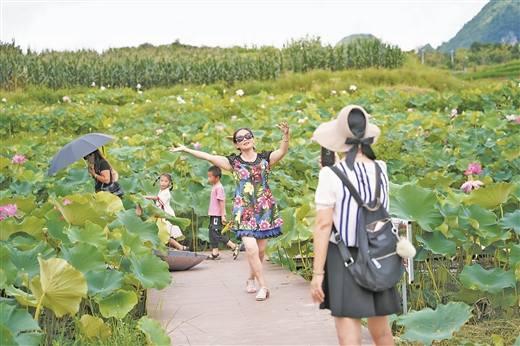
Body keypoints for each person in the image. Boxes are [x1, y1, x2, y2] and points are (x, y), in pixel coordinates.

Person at [170, 119, 290, 301]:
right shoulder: (233, 162)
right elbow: (209, 157)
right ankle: (264, 287)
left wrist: (286, 135)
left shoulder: (265, 158)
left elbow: (282, 151)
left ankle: (250, 278)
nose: (245, 139)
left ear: (253, 139)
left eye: (247, 136)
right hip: (244, 211)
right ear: (236, 144)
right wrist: (186, 150)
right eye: (240, 138)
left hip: (264, 209)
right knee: (250, 249)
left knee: (260, 252)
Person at [310, 105, 399, 346]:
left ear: (339, 138)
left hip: (344, 257)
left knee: (350, 339)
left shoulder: (331, 174)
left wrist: (318, 274)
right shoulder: (381, 169)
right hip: (380, 254)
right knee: (382, 334)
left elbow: (323, 225)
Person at [145, 173, 188, 251]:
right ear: (159, 181)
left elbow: (157, 198)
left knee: (165, 234)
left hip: (165, 214)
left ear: (169, 183)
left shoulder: (166, 192)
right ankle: (166, 248)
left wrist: (146, 197)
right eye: (161, 181)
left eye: (165, 181)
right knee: (161, 233)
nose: (163, 183)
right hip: (161, 213)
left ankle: (181, 247)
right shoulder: (161, 190)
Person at [205, 165, 240, 261]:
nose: (208, 178)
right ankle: (215, 253)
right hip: (213, 214)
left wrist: (223, 216)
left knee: (216, 233)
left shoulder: (219, 188)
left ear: (217, 178)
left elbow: (222, 201)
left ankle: (234, 246)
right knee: (211, 233)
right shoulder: (215, 186)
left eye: (210, 177)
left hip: (217, 214)